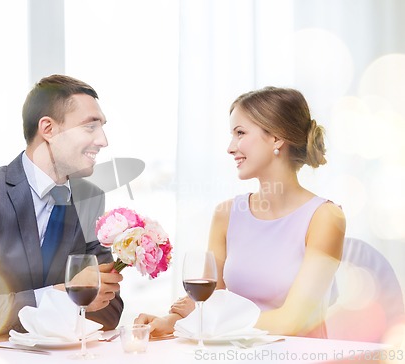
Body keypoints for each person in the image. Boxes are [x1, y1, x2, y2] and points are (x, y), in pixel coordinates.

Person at [0, 75, 123, 350]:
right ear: (48, 129)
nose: (103, 140)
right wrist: (59, 296)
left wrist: (73, 298)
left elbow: (109, 310)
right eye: (90, 127)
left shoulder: (90, 197)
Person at [136, 86, 346, 338]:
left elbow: (294, 320)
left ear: (277, 138)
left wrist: (208, 326)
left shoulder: (325, 218)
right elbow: (209, 301)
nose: (230, 147)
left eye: (240, 133)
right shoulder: (227, 214)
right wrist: (172, 320)